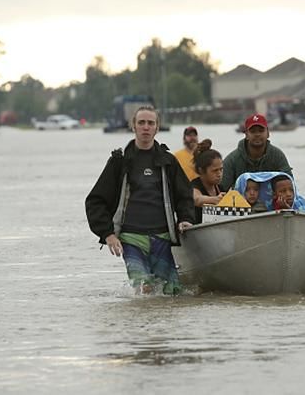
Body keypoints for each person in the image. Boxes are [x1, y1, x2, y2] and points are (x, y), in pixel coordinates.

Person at [85, 105, 195, 295]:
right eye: (141, 123)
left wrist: (185, 219)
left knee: (172, 293)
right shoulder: (119, 161)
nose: (146, 127)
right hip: (130, 237)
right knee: (143, 291)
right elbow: (95, 201)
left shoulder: (168, 161)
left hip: (162, 237)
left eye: (150, 123)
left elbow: (185, 195)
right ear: (133, 126)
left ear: (157, 128)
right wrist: (108, 234)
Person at [221, 113, 293, 191]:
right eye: (253, 131)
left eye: (261, 131)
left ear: (268, 133)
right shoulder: (232, 160)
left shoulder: (278, 156)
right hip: (242, 201)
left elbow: (290, 184)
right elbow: (220, 189)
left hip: (272, 201)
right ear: (246, 135)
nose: (257, 134)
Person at [191, 139, 225, 223]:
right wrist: (215, 200)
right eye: (215, 170)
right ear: (201, 171)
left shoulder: (220, 188)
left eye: (221, 169)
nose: (219, 174)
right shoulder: (193, 186)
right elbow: (197, 199)